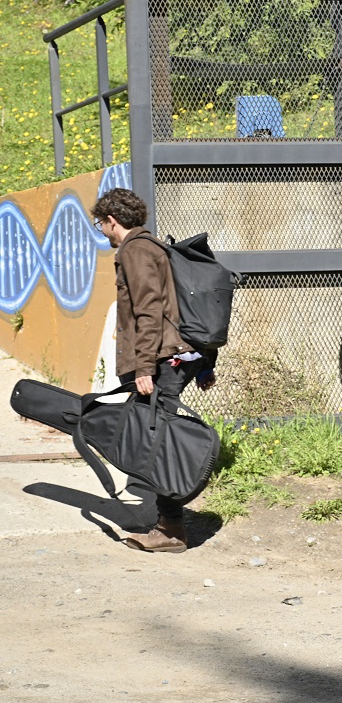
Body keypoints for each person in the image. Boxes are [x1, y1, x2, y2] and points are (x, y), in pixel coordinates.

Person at [91, 188, 217, 553]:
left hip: (162, 361)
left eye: (102, 224)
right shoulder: (158, 247)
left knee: (156, 440)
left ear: (112, 221)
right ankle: (168, 520)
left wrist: (144, 365)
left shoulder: (135, 250)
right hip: (182, 356)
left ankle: (171, 529)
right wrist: (206, 363)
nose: (103, 231)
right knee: (157, 434)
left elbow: (149, 311)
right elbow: (183, 307)